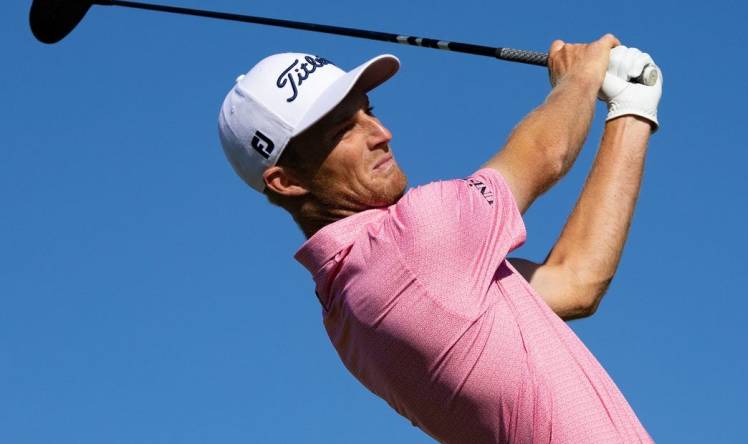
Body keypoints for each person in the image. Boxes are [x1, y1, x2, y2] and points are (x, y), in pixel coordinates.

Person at [218, 34, 661, 443]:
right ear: (287, 181)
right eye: (341, 131)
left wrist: (631, 110)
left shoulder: (347, 309)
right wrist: (581, 73)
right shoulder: (406, 248)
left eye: (367, 112)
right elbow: (547, 153)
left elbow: (574, 281)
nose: (381, 135)